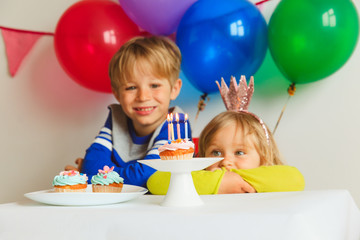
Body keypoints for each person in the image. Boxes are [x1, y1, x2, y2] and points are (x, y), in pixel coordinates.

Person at [66, 36, 189, 188]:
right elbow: (91, 165)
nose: (143, 97)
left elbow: (147, 176)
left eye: (155, 85)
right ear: (117, 94)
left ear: (174, 89)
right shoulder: (117, 119)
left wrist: (90, 179)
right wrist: (91, 173)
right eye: (131, 87)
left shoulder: (177, 125)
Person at [147, 76, 305, 194]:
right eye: (216, 152)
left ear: (264, 158)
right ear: (202, 156)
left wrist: (237, 178)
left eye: (240, 152)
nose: (226, 162)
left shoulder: (269, 179)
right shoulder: (202, 176)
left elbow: (296, 179)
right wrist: (220, 182)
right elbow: (155, 181)